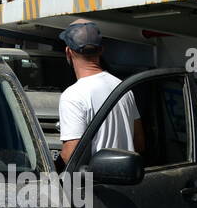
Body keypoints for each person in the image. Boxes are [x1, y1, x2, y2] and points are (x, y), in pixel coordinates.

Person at [56, 19, 144, 166]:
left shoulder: (73, 95)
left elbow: (71, 155)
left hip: (95, 184)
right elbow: (139, 143)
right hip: (127, 182)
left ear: (68, 52)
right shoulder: (123, 87)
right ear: (101, 50)